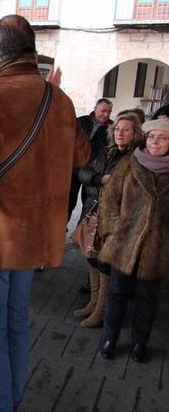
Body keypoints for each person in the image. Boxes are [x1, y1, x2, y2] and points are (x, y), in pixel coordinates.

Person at [0, 15, 90, 412]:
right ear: (31, 52)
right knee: (17, 322)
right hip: (35, 236)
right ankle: (9, 399)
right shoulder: (58, 99)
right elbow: (82, 154)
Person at [98, 118, 169, 363]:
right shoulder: (130, 164)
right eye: (151, 137)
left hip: (157, 247)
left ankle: (140, 342)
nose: (155, 142)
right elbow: (109, 198)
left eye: (162, 137)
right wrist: (115, 228)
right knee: (116, 293)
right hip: (124, 243)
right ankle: (110, 338)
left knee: (147, 298)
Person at [73, 113, 142, 328]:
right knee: (92, 258)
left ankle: (101, 311)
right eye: (118, 129)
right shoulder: (106, 151)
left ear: (135, 134)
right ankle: (93, 303)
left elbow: (129, 192)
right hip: (93, 211)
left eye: (126, 130)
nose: (120, 133)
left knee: (105, 265)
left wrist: (98, 182)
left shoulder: (136, 158)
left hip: (115, 218)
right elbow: (83, 172)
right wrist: (99, 179)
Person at [68, 98, 113, 221]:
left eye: (109, 111)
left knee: (88, 203)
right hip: (74, 168)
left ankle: (82, 234)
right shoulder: (81, 121)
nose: (106, 114)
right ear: (95, 109)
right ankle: (62, 228)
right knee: (69, 201)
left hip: (93, 171)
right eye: (103, 111)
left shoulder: (111, 128)